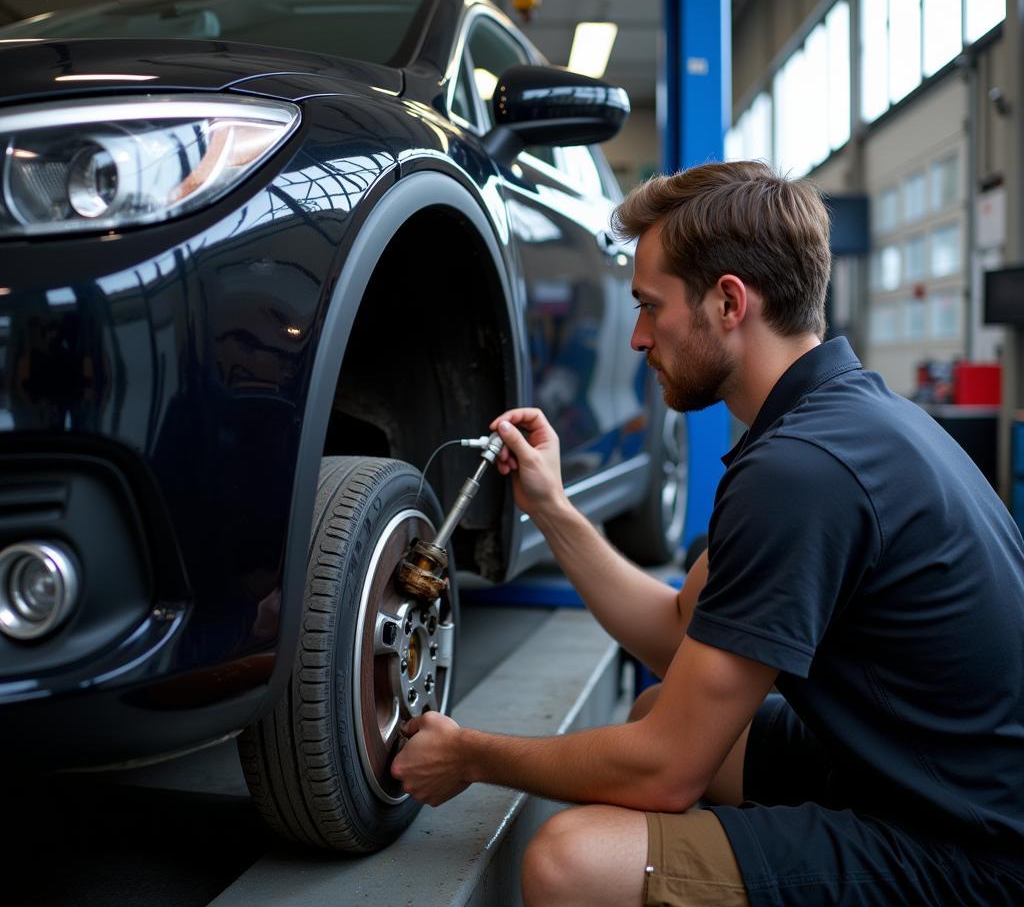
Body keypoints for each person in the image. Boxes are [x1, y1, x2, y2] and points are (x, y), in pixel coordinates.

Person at [391, 160, 1024, 906]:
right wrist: (552, 508)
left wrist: (469, 755)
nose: (636, 338)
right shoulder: (840, 423)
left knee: (571, 862)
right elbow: (676, 629)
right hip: (917, 772)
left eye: (650, 307)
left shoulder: (801, 473)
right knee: (660, 711)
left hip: (972, 853)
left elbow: (666, 774)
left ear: (728, 302)